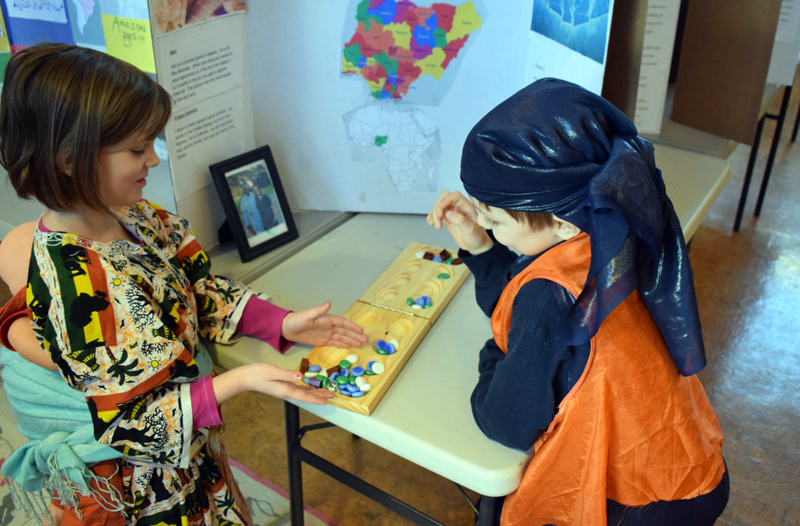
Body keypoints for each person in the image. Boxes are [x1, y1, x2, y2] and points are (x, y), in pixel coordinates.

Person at [0, 42, 368, 526]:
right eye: (137, 148)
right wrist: (241, 380)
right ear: (70, 160)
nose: (154, 159)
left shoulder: (137, 216)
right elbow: (130, 422)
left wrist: (283, 323)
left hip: (193, 448)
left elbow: (199, 287)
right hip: (140, 485)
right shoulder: (73, 283)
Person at [427, 79, 728, 525]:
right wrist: (482, 249)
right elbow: (524, 305)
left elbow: (507, 421)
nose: (485, 225)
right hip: (690, 465)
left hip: (639, 502)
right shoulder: (615, 232)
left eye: (494, 220)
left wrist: (492, 359)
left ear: (565, 225)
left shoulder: (550, 295)